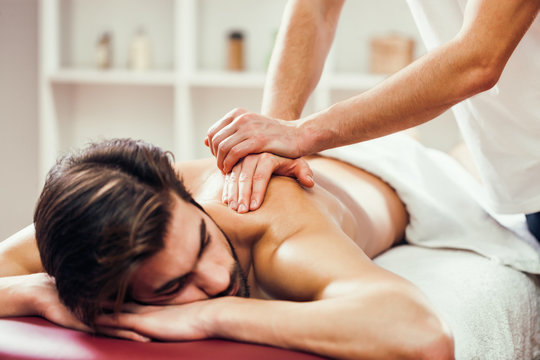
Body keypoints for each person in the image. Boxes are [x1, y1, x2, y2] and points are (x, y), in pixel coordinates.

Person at [0, 138, 454, 360]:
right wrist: (38, 292)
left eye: (202, 241)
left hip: (415, 181)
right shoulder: (98, 223)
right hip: (343, 169)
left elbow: (424, 335)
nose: (218, 279)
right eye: (172, 286)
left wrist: (206, 314)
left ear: (183, 190)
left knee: (465, 165)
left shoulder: (276, 236)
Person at [205, 0, 540, 240]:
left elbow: (478, 59)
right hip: (522, 175)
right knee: (447, 162)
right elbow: (316, 8)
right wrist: (272, 138)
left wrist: (300, 134)